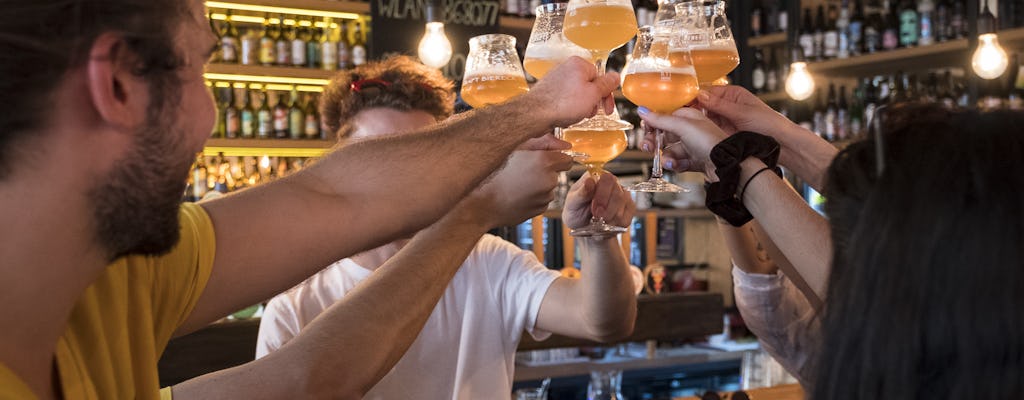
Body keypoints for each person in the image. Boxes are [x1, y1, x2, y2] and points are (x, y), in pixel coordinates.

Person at [0, 1, 621, 399]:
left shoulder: (117, 274)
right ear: (116, 85)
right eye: (199, 69)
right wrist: (478, 206)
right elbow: (311, 381)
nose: (210, 111)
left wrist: (535, 109)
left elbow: (334, 191)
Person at [256, 56, 638, 400]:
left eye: (421, 154)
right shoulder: (295, 306)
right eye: (377, 153)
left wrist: (598, 237)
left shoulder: (488, 261)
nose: (399, 174)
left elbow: (602, 321)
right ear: (338, 163)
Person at [643, 91, 1024, 397]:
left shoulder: (911, 344)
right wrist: (778, 135)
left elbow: (874, 282)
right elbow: (884, 210)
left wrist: (736, 165)